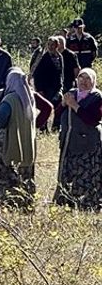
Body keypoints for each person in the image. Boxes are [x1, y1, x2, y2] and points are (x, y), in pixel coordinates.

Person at [0, 68, 37, 208]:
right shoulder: (29, 99)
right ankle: (24, 203)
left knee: (2, 173)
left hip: (7, 142)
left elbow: (1, 120)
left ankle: (1, 203)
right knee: (23, 175)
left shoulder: (9, 100)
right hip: (26, 145)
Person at [55, 68, 102, 209]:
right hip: (69, 141)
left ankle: (87, 203)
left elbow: (93, 119)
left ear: (93, 81)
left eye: (88, 79)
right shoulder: (72, 93)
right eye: (81, 77)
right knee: (69, 172)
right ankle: (67, 201)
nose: (84, 81)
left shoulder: (97, 97)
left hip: (88, 142)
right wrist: (64, 104)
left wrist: (75, 105)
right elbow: (57, 114)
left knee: (86, 174)